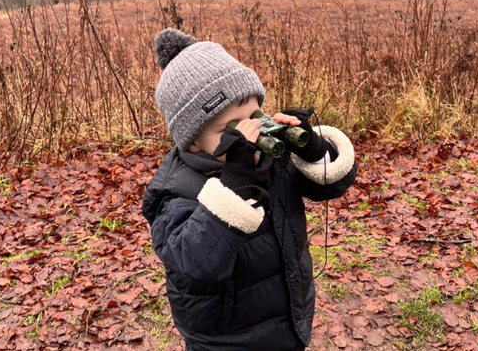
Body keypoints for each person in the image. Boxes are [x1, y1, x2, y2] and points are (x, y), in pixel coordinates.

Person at [142, 28, 357, 351]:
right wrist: (235, 184)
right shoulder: (175, 191)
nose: (251, 136)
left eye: (256, 117)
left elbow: (332, 183)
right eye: (230, 130)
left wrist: (312, 149)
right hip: (226, 340)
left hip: (289, 318)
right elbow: (196, 262)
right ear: (194, 141)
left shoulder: (270, 161)